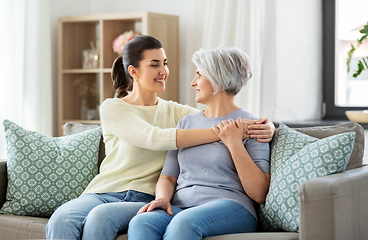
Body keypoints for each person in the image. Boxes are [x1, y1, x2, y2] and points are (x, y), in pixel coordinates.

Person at [46, 36, 274, 240]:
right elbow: (155, 138)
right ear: (133, 72)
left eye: (165, 63)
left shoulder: (180, 114)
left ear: (219, 80)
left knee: (103, 218)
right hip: (107, 192)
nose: (164, 71)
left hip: (148, 196)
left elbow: (219, 116)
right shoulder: (115, 108)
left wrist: (269, 127)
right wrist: (227, 133)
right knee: (62, 219)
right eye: (155, 64)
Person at [128, 47, 271, 240]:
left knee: (184, 223)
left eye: (199, 75)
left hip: (232, 206)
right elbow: (168, 177)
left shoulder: (252, 126)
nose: (193, 82)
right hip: (181, 207)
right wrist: (162, 199)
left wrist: (234, 143)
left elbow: (259, 193)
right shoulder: (186, 123)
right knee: (141, 222)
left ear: (218, 79)